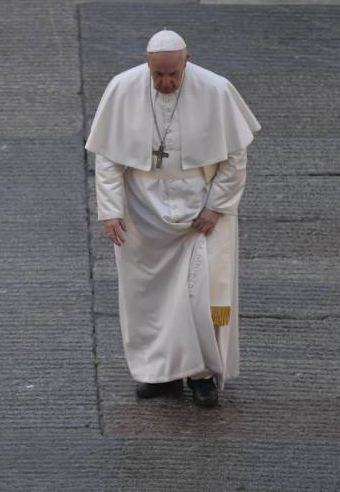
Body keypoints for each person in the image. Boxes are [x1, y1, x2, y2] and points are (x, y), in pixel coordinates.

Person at [85, 29, 260, 408]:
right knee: (147, 299)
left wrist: (216, 207)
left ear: (187, 61)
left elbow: (234, 157)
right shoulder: (122, 88)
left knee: (198, 295)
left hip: (201, 212)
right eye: (158, 75)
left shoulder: (215, 90)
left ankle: (200, 376)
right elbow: (109, 159)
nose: (165, 83)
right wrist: (111, 210)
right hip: (143, 212)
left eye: (173, 75)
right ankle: (157, 373)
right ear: (147, 65)